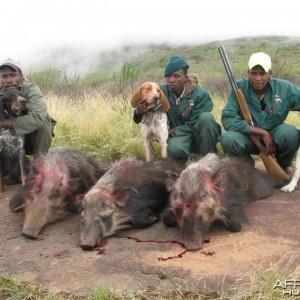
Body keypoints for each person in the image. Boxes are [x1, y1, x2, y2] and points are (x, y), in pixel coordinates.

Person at [220, 52, 300, 173]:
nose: (258, 78)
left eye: (262, 74)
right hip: (248, 136)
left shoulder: (284, 88)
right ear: (248, 72)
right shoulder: (238, 88)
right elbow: (228, 119)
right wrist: (262, 132)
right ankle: (247, 170)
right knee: (228, 139)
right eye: (253, 73)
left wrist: (268, 134)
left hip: (275, 136)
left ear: (270, 73)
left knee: (290, 133)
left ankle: (282, 167)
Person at [133, 55, 221, 162]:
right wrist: (138, 111)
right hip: (179, 139)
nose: (171, 80)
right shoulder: (161, 92)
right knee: (175, 148)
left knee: (206, 118)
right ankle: (179, 169)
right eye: (168, 76)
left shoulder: (200, 94)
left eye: (176, 76)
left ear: (185, 77)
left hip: (200, 137)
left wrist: (172, 130)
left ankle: (209, 162)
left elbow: (196, 123)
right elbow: (145, 114)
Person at [0, 58, 56, 184]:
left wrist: (2, 123)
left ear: (21, 76)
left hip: (30, 136)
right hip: (8, 140)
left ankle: (39, 167)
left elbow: (37, 117)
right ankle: (12, 170)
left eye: (13, 75)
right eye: (4, 76)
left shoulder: (31, 89)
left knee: (44, 121)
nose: (9, 80)